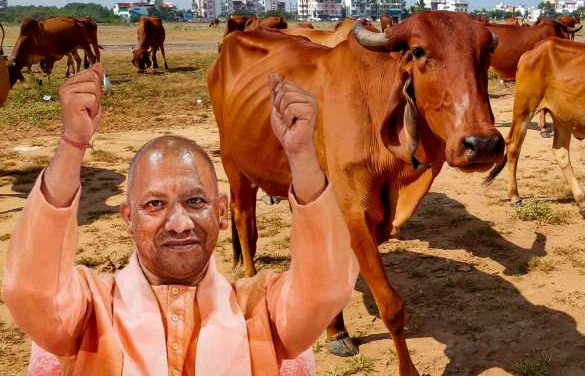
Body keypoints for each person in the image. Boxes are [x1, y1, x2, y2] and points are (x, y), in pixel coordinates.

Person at [3, 64, 359, 375]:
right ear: (129, 219)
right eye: (155, 204)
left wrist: (301, 153)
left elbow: (326, 287)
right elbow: (31, 289)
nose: (179, 223)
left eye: (194, 201)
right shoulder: (89, 310)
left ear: (221, 213)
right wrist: (72, 144)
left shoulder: (261, 310)